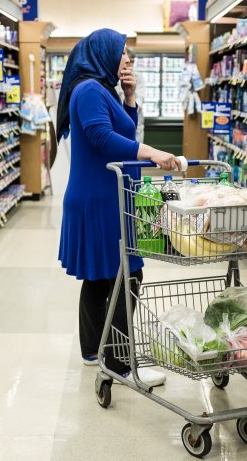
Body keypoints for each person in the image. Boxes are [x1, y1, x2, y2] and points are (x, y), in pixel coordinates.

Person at [56, 28, 179, 388]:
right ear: (104, 54)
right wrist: (152, 153)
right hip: (99, 198)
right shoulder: (90, 90)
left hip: (103, 194)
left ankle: (93, 351)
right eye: (124, 52)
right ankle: (121, 363)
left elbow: (124, 130)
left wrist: (129, 95)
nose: (128, 59)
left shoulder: (101, 89)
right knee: (129, 273)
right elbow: (102, 138)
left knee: (99, 275)